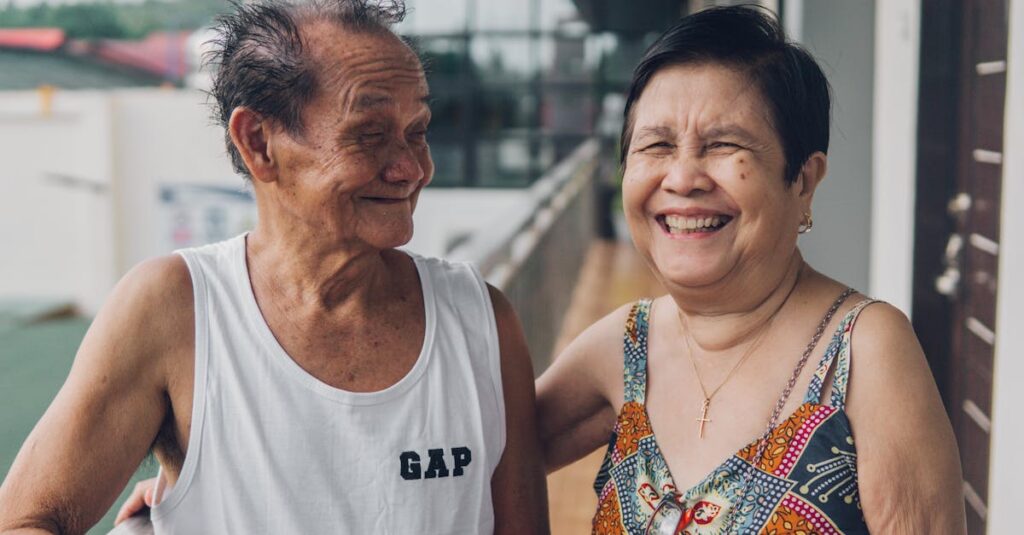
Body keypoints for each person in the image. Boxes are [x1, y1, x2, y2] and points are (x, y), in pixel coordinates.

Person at [0, 1, 547, 533]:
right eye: (370, 134)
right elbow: (25, 519)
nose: (411, 168)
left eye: (418, 131)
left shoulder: (480, 319)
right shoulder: (175, 309)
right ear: (259, 142)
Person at [536, 6, 966, 534]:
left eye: (723, 145)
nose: (683, 177)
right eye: (656, 145)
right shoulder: (626, 347)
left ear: (804, 181)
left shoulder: (863, 352)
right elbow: (469, 457)